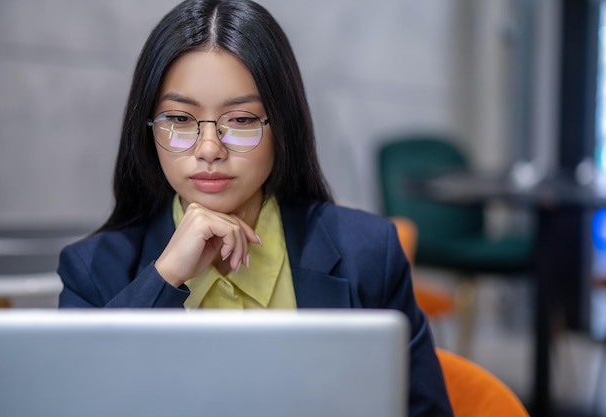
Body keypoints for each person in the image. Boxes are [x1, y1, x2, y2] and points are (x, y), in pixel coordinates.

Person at [58, 0, 453, 415]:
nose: (209, 149)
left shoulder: (369, 254)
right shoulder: (93, 271)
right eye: (179, 118)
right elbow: (76, 401)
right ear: (148, 130)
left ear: (283, 126)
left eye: (242, 120)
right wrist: (165, 277)